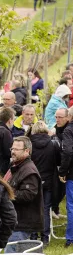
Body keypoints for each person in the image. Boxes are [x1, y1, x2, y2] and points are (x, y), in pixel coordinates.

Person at [1, 136, 53, 255]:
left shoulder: (29, 170)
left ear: (27, 151)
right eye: (12, 148)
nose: (13, 151)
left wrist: (8, 194)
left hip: (23, 221)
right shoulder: (16, 166)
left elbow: (28, 195)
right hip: (17, 220)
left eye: (16, 149)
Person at [29, 121, 61, 247]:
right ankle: (45, 236)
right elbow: (58, 160)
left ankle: (33, 235)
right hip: (48, 180)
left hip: (32, 179)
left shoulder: (29, 144)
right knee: (46, 208)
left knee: (32, 208)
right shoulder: (53, 144)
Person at [59, 106, 73, 247]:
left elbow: (68, 151)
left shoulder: (69, 130)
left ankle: (70, 237)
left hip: (72, 173)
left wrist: (62, 171)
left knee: (71, 205)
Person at [0, 107, 15, 175]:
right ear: (10, 120)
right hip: (1, 168)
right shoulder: (5, 132)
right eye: (13, 119)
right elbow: (9, 152)